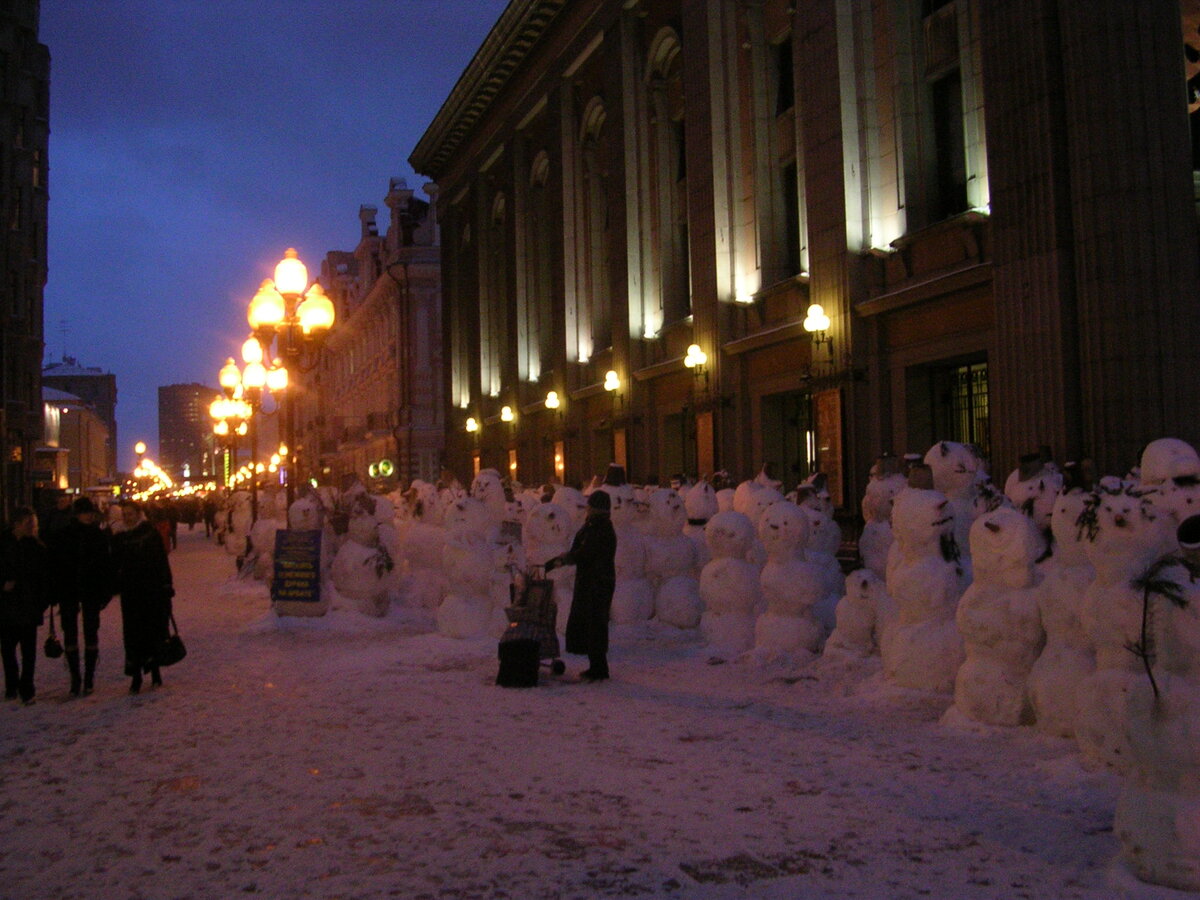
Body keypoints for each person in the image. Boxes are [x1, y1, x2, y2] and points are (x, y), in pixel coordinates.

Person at [546, 490, 618, 681]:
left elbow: (587, 552)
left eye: (590, 506)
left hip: (598, 582)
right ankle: (596, 665)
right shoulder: (594, 526)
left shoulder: (601, 529)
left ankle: (599, 668)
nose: (587, 509)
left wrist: (567, 559)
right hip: (591, 581)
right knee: (591, 623)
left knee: (596, 624)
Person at [47, 496, 113, 696]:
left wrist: (105, 590)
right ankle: (75, 677)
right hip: (69, 589)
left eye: (90, 513)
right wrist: (55, 590)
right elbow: (56, 566)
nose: (89, 516)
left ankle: (89, 677)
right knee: (70, 633)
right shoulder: (65, 535)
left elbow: (105, 566)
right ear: (77, 514)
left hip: (91, 589)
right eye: (85, 513)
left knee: (91, 631)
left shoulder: (98, 535)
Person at [112, 500, 174, 694]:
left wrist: (166, 585)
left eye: (131, 513)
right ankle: (136, 675)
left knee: (152, 630)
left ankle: (155, 671)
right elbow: (113, 564)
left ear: (138, 514)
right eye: (125, 514)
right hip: (130, 593)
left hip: (151, 590)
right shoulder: (119, 536)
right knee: (132, 634)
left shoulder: (149, 533)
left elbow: (161, 561)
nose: (127, 517)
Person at [0, 507, 50, 704]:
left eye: (33, 524)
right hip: (7, 605)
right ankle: (12, 684)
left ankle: (27, 687)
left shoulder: (37, 548)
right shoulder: (4, 544)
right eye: (28, 523)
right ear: (17, 524)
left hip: (29, 606)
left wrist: (42, 603)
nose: (32, 527)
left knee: (28, 652)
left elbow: (44, 578)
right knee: (8, 649)